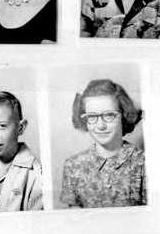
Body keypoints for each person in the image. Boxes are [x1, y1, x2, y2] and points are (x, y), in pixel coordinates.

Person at [61, 79, 147, 209]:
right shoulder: (73, 166)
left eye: (109, 115)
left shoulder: (143, 163)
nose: (100, 126)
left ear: (124, 115)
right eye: (92, 117)